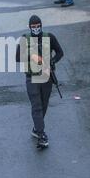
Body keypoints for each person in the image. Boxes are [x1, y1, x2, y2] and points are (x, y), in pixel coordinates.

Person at [16, 15, 63, 149]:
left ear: (41, 25)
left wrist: (51, 62)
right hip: (32, 77)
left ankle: (37, 128)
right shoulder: (25, 39)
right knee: (36, 106)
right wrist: (32, 55)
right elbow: (18, 57)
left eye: (38, 26)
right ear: (29, 27)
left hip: (46, 77)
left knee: (44, 104)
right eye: (33, 27)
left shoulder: (50, 37)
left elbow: (60, 53)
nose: (36, 29)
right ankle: (42, 135)